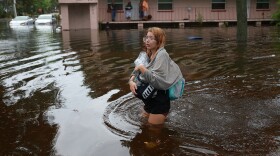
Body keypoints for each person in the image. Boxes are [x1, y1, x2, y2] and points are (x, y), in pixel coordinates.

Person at [128, 27, 183, 125]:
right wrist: (131, 81)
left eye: (151, 38)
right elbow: (135, 70)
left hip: (159, 101)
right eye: (146, 37)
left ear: (159, 41)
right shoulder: (147, 54)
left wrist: (142, 68)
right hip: (149, 100)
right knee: (144, 125)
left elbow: (157, 81)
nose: (147, 40)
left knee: (153, 132)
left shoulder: (162, 55)